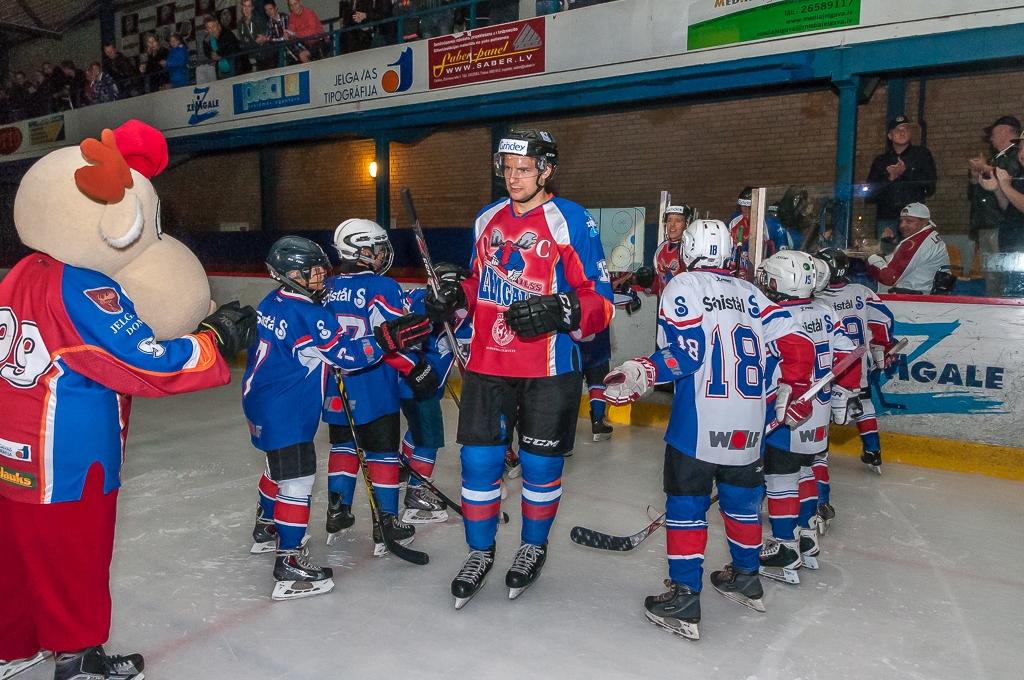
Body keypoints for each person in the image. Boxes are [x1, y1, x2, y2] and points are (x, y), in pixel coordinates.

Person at [0, 121, 257, 680]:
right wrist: (213, 339)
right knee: (76, 554)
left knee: (20, 556)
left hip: (14, 445)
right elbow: (143, 363)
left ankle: (16, 643)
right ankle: (78, 655)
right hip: (69, 452)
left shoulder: (22, 272)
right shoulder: (86, 285)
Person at [425, 128, 614, 609]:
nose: (513, 178)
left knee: (539, 465)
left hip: (549, 368)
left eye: (524, 170)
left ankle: (532, 545)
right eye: (507, 170)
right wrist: (454, 297)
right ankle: (479, 551)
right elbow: (476, 283)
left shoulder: (571, 220)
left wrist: (561, 310)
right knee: (479, 463)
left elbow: (601, 301)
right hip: (488, 362)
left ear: (546, 171)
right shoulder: (487, 219)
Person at [603, 220, 814, 640]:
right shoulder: (754, 294)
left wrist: (643, 371)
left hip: (698, 425)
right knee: (741, 505)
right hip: (750, 427)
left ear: (689, 251)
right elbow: (799, 345)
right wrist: (795, 387)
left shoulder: (684, 285)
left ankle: (684, 598)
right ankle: (746, 577)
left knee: (686, 509)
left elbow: (687, 354)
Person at [242, 236, 430, 600]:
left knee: (275, 468)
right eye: (311, 272)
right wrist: (386, 340)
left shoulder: (273, 301)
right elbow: (347, 354)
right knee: (296, 482)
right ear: (288, 273)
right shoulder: (309, 313)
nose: (320, 277)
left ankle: (266, 526)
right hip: (288, 410)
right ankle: (290, 562)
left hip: (260, 402)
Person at [319, 219, 439, 551]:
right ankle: (386, 521)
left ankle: (337, 509)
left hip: (335, 384)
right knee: (383, 451)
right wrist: (416, 367)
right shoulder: (382, 287)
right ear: (362, 250)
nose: (383, 253)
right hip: (374, 383)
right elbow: (395, 341)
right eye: (379, 247)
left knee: (342, 444)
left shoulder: (326, 286)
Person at [755, 251, 861, 585]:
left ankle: (786, 545)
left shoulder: (776, 317)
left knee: (780, 477)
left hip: (787, 409)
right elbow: (847, 353)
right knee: (805, 470)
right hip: (819, 412)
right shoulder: (825, 310)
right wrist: (844, 395)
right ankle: (807, 537)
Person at [814, 248, 897, 478]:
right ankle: (873, 450)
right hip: (857, 364)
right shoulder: (861, 291)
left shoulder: (817, 299)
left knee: (822, 409)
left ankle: (818, 456)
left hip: (827, 364)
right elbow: (884, 319)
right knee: (863, 403)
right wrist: (883, 344)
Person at [968, 116, 1021, 293]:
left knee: (1002, 273)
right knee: (992, 274)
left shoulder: (1013, 157)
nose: (991, 138)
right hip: (988, 222)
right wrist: (976, 176)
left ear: (1007, 130)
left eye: (994, 132)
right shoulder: (994, 159)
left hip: (1002, 224)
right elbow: (976, 194)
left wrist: (985, 169)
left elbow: (1008, 177)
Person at [865, 115, 937, 239]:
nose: (902, 133)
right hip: (887, 219)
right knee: (887, 255)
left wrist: (906, 172)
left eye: (906, 129)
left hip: (914, 220)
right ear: (890, 135)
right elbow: (869, 195)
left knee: (914, 255)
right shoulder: (881, 161)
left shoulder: (922, 155)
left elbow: (930, 187)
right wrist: (890, 178)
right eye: (898, 130)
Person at [864, 203, 951, 294]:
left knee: (859, 287)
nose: (902, 225)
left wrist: (870, 257)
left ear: (924, 222)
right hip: (925, 292)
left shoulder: (914, 243)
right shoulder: (929, 236)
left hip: (911, 297)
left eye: (909, 221)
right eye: (901, 221)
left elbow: (889, 278)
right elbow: (899, 260)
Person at [651, 204, 691, 295]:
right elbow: (658, 283)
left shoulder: (692, 249)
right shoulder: (661, 249)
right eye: (669, 220)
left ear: (686, 224)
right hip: (665, 304)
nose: (672, 225)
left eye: (678, 221)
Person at [237, 0, 273, 71]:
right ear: (241, 7)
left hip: (266, 57)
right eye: (244, 6)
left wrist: (250, 42)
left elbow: (261, 41)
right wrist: (254, 42)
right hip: (252, 59)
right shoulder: (240, 24)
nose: (246, 9)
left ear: (252, 7)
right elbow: (243, 45)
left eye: (249, 6)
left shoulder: (259, 19)